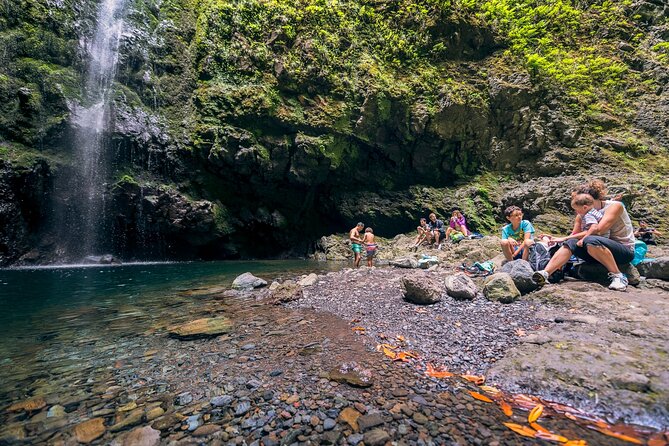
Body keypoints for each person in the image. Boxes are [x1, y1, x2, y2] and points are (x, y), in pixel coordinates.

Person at [533, 180, 635, 291]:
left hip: (622, 251)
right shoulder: (582, 213)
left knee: (590, 240)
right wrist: (556, 240)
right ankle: (546, 273)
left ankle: (618, 276)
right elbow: (575, 236)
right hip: (595, 252)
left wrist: (565, 237)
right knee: (572, 243)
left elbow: (599, 230)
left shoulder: (614, 206)